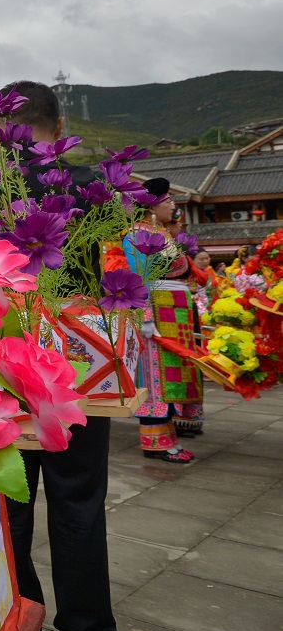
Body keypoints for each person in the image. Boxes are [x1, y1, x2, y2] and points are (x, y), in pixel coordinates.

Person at [0, 81, 148, 631]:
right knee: (78, 501)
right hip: (77, 368)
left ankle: (19, 620)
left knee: (7, 499)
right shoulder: (93, 187)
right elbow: (123, 279)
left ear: (0, 131)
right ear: (59, 129)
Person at [125, 177, 202, 459]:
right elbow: (138, 276)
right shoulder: (137, 233)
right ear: (151, 206)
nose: (172, 204)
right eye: (167, 200)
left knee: (171, 377)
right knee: (156, 376)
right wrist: (145, 316)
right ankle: (155, 442)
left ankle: (168, 437)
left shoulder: (157, 231)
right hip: (157, 311)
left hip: (172, 312)